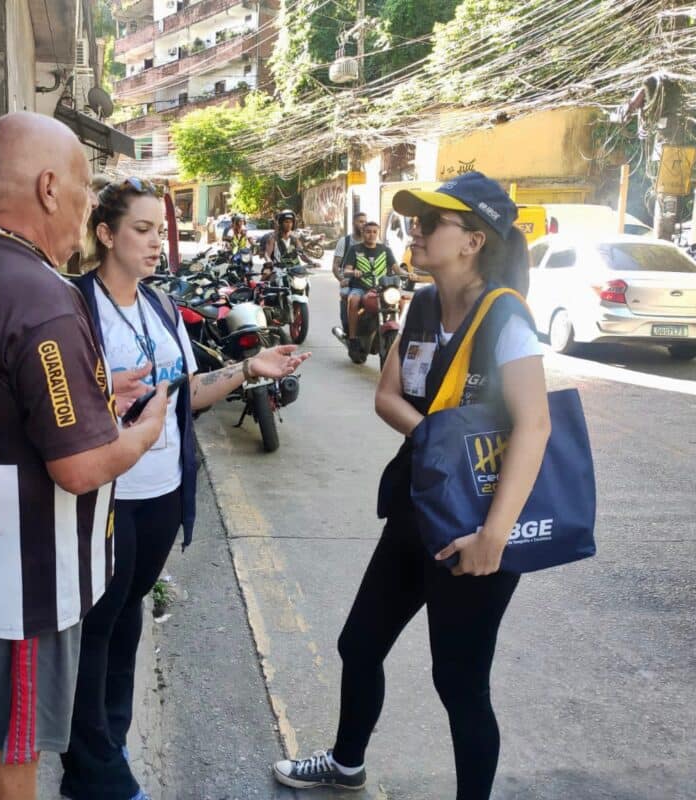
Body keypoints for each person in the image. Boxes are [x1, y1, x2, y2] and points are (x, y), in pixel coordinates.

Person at [272, 171, 551, 799]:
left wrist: (493, 537)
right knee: (359, 643)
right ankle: (347, 765)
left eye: (431, 222)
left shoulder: (506, 316)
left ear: (473, 240)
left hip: (474, 527)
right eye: (413, 220)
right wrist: (435, 438)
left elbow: (535, 426)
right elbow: (387, 394)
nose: (414, 231)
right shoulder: (423, 304)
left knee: (459, 682)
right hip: (418, 508)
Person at [0, 112, 169, 800]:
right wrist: (142, 431)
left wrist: (99, 388)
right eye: (80, 187)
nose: (82, 206)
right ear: (48, 188)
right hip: (25, 584)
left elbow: (5, 396)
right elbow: (76, 465)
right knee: (14, 749)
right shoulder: (43, 297)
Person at [64, 176, 311, 800]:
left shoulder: (162, 307)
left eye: (157, 231)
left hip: (164, 496)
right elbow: (63, 410)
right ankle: (95, 774)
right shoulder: (76, 308)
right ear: (105, 234)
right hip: (107, 499)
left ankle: (109, 743)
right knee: (96, 631)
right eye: (141, 231)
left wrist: (249, 369)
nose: (155, 244)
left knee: (125, 626)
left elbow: (186, 397)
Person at [337, 220, 400, 341]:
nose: (371, 235)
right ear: (363, 232)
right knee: (353, 300)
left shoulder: (385, 250)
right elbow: (346, 270)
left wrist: (409, 274)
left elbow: (397, 269)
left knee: (401, 302)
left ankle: (398, 335)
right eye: (368, 232)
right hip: (359, 288)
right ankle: (352, 337)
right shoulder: (354, 249)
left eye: (374, 232)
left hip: (381, 289)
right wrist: (353, 272)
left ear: (378, 233)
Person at [332, 211, 368, 279]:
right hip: (349, 281)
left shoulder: (371, 242)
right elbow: (335, 266)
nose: (363, 224)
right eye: (361, 222)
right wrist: (342, 280)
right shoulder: (344, 241)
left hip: (367, 281)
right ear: (353, 223)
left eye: (365, 222)